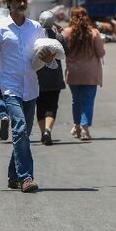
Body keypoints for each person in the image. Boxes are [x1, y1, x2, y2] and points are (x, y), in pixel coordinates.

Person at [0, 0, 51, 193]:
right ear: (8, 4)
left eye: (24, 0)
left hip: (31, 87)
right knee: (18, 128)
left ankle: (13, 176)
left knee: (24, 134)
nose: (21, 3)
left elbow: (42, 57)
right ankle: (26, 177)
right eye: (17, 0)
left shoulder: (36, 27)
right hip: (9, 87)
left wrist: (49, 61)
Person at [62, 6, 106, 142]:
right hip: (90, 74)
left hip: (73, 73)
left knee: (76, 101)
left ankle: (77, 126)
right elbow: (101, 53)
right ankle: (85, 129)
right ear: (86, 17)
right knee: (88, 101)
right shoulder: (94, 33)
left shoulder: (66, 33)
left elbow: (62, 52)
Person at [36, 11, 66, 146]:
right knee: (52, 106)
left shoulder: (35, 39)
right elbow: (66, 53)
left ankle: (43, 132)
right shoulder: (58, 38)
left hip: (38, 77)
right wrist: (60, 32)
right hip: (55, 77)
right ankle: (48, 130)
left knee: (40, 106)